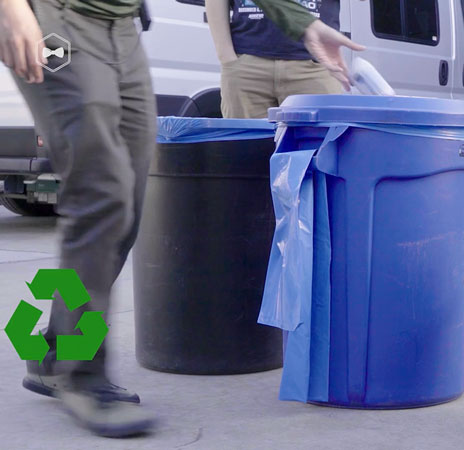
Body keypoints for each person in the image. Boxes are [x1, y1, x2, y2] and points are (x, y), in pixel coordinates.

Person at [0, 0, 362, 437]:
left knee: (128, 204)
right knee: (102, 195)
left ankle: (57, 348)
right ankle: (82, 374)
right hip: (56, 25)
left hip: (123, 28)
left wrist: (301, 23)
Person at [207, 0, 342, 118]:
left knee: (320, 144)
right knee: (246, 146)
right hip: (247, 67)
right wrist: (226, 57)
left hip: (315, 68)